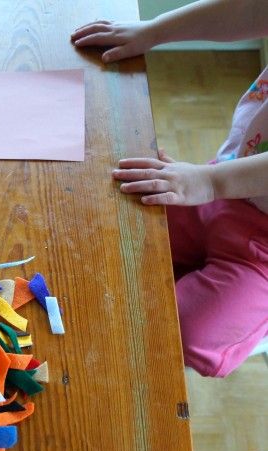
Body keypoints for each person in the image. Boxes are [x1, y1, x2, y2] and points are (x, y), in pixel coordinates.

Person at [71, 0, 268, 377]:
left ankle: (252, 323)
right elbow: (252, 9)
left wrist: (207, 182)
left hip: (261, 255)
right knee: (115, 221)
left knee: (182, 332)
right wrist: (155, 30)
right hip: (226, 190)